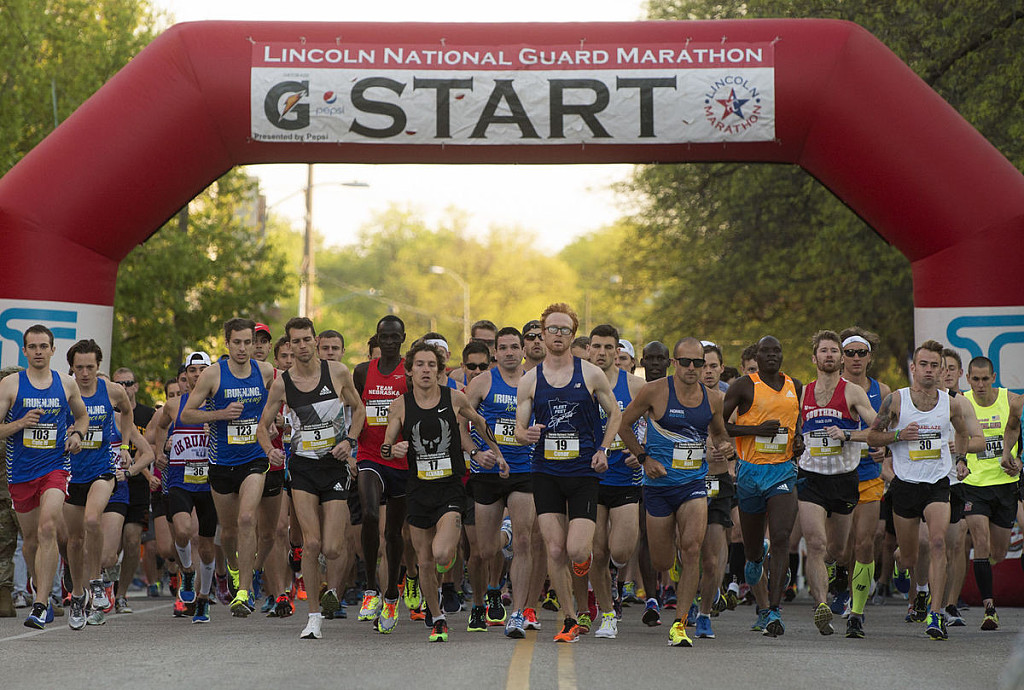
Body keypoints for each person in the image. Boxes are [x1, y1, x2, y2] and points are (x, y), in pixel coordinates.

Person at [383, 341, 508, 642]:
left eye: (431, 365)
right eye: (420, 365)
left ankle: (449, 556)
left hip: (449, 488)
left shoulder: (454, 398)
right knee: (424, 561)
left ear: (440, 371)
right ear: (410, 370)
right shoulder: (400, 405)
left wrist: (495, 454)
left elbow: (479, 423)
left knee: (440, 554)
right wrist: (394, 449)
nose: (426, 370)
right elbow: (386, 447)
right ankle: (438, 617)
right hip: (418, 490)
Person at [515, 303, 622, 643]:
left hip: (583, 474)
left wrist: (603, 449)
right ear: (543, 333)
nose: (558, 335)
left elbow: (615, 414)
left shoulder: (590, 374)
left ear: (573, 335)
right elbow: (518, 431)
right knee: (555, 549)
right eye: (552, 329)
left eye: (565, 330)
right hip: (545, 472)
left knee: (577, 550)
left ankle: (585, 576)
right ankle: (569, 618)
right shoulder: (530, 380)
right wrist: (526, 434)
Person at [866, 339, 984, 640]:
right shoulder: (896, 400)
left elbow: (962, 433)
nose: (929, 370)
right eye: (924, 365)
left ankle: (936, 613)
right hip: (905, 484)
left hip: (938, 483)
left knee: (938, 543)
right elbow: (873, 437)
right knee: (909, 556)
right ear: (913, 368)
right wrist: (898, 435)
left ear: (941, 370)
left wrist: (960, 458)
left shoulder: (951, 403)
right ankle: (901, 567)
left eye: (935, 365)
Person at [619, 337, 733, 646]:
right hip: (658, 487)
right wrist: (644, 459)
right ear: (674, 363)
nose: (692, 368)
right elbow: (623, 425)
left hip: (694, 484)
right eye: (686, 362)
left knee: (692, 548)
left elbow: (719, 433)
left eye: (698, 363)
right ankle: (677, 569)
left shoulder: (713, 399)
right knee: (662, 562)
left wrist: (725, 446)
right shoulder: (654, 391)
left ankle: (680, 624)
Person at [258, 317, 365, 639]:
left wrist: (350, 441)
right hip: (303, 467)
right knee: (312, 543)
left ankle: (332, 590)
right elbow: (262, 426)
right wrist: (270, 451)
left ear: (315, 341)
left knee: (332, 547)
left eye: (307, 339)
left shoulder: (338, 372)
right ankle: (314, 616)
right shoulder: (283, 383)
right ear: (289, 345)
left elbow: (359, 410)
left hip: (334, 466)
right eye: (296, 341)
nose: (302, 346)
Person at [181, 317, 277, 617]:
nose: (243, 348)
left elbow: (280, 398)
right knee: (229, 530)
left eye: (248, 342)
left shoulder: (264, 371)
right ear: (227, 343)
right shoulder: (213, 374)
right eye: (237, 342)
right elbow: (187, 414)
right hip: (222, 463)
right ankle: (234, 570)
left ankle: (244, 592)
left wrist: (273, 421)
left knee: (247, 518)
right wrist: (220, 414)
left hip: (254, 458)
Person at [0, 324, 89, 628]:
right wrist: (20, 423)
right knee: (30, 541)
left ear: (52, 350)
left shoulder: (66, 384)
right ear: (24, 351)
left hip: (55, 467)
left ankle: (40, 604)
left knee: (48, 527)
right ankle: (40, 584)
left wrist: (77, 435)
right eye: (32, 347)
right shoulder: (11, 385)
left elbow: (82, 416)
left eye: (43, 346)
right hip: (21, 472)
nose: (38, 352)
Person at [795, 331, 878, 638]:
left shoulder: (852, 392)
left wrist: (848, 435)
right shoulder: (802, 393)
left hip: (844, 478)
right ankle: (822, 604)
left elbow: (876, 428)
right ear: (814, 358)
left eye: (833, 351)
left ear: (840, 359)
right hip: (811, 477)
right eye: (823, 351)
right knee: (815, 544)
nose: (828, 355)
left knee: (838, 550)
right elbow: (792, 430)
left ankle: (834, 569)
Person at [722, 335, 803, 637]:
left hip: (783, 471)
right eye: (765, 351)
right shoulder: (743, 386)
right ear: (757, 356)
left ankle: (774, 611)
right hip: (750, 473)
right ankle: (756, 558)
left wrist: (798, 439)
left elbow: (796, 421)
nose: (771, 355)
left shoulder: (795, 385)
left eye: (776, 351)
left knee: (781, 537)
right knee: (753, 548)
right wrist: (756, 430)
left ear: (782, 355)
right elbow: (721, 425)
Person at [63, 339, 139, 630]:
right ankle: (78, 595)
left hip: (102, 470)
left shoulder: (112, 390)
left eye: (90, 367)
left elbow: (127, 412)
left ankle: (96, 582)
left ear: (98, 366)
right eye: (79, 367)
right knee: (74, 540)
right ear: (72, 367)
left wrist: (125, 445)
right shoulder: (64, 391)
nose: (85, 373)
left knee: (93, 520)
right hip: (71, 472)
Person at [575, 325, 645, 639]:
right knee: (598, 552)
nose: (601, 352)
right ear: (589, 349)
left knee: (621, 552)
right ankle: (607, 613)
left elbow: (656, 423)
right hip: (590, 478)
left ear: (617, 351)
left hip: (625, 477)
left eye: (608, 347)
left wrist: (641, 451)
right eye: (596, 346)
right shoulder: (578, 384)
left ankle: (616, 579)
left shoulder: (635, 385)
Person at [146, 351, 219, 623]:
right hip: (180, 477)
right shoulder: (174, 405)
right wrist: (159, 451)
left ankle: (203, 598)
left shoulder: (219, 405)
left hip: (209, 482)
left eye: (203, 369)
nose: (197, 375)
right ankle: (187, 571)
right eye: (193, 370)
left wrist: (216, 432)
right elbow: (160, 427)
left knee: (207, 546)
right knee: (183, 530)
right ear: (185, 375)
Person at [352, 315, 409, 626]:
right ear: (377, 337)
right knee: (370, 514)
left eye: (394, 337)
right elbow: (357, 410)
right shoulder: (363, 371)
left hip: (401, 461)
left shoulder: (409, 373)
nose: (388, 342)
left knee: (393, 533)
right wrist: (350, 442)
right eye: (383, 337)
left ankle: (391, 593)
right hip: (370, 455)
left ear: (402, 339)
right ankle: (370, 588)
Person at [836, 327, 891, 636]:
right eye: (850, 353)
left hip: (869, 474)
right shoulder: (832, 388)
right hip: (836, 475)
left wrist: (884, 448)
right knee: (840, 548)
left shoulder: (882, 391)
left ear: (870, 357)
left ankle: (856, 611)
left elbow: (888, 431)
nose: (856, 358)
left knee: (864, 542)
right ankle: (838, 581)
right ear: (842, 357)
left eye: (862, 353)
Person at [961, 356, 1021, 631]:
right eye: (975, 379)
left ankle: (984, 568)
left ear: (994, 378)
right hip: (974, 485)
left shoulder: (1011, 400)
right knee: (981, 542)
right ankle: (989, 608)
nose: (980, 384)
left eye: (985, 379)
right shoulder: (962, 403)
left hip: (1005, 484)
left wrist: (1018, 460)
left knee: (999, 550)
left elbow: (1018, 431)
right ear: (968, 379)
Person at [110, 366, 157, 613]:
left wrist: (138, 471)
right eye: (119, 384)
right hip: (110, 484)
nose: (124, 388)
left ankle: (121, 595)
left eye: (128, 383)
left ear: (136, 386)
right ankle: (104, 586)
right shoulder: (106, 414)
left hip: (137, 485)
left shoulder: (148, 414)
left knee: (131, 540)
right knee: (111, 546)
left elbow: (151, 449)